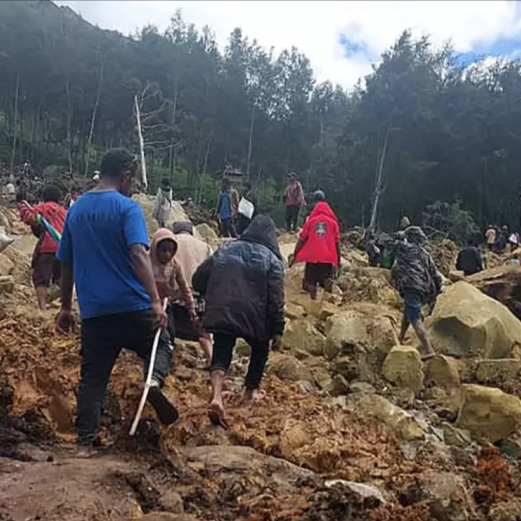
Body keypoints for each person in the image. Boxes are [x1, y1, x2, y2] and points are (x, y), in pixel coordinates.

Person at [55, 148, 177, 456]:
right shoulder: (127, 209)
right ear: (125, 175)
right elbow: (138, 253)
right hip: (133, 306)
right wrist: (154, 301)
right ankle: (153, 381)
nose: (133, 185)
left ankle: (83, 444)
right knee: (162, 341)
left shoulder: (76, 210)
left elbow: (66, 263)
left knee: (93, 378)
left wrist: (66, 307)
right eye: (132, 179)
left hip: (95, 312)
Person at [193, 215, 285, 428]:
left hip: (223, 308)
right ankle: (249, 392)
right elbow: (276, 297)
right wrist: (278, 328)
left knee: (223, 348)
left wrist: (208, 295)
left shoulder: (226, 249)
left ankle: (216, 395)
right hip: (255, 316)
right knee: (260, 349)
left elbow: (199, 278)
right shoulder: (273, 259)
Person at [391, 226, 441, 361]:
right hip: (422, 288)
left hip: (410, 286)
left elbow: (389, 241)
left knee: (415, 319)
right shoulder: (425, 253)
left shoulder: (404, 249)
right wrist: (437, 291)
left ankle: (429, 349)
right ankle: (400, 338)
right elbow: (435, 274)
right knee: (407, 313)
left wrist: (400, 235)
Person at [149, 227, 197, 358]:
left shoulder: (174, 265)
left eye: (171, 251)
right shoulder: (146, 263)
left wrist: (191, 307)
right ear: (155, 249)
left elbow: (184, 287)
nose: (167, 254)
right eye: (163, 250)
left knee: (169, 331)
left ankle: (166, 355)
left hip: (165, 303)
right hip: (147, 303)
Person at [171, 221, 214, 366]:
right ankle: (211, 360)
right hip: (198, 298)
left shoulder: (172, 242)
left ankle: (166, 359)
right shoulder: (205, 247)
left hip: (175, 296)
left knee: (167, 330)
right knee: (203, 334)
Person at [19, 185, 67, 310]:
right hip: (63, 248)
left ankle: (43, 308)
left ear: (44, 197)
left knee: (40, 279)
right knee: (60, 277)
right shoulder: (64, 211)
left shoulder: (42, 207)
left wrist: (23, 210)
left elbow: (30, 219)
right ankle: (62, 307)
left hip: (47, 248)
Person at [289, 201, 341, 300]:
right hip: (327, 257)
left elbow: (302, 239)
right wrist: (338, 261)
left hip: (312, 256)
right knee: (326, 278)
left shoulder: (310, 222)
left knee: (310, 281)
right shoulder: (333, 223)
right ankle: (326, 300)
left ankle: (313, 298)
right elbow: (337, 243)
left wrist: (295, 254)